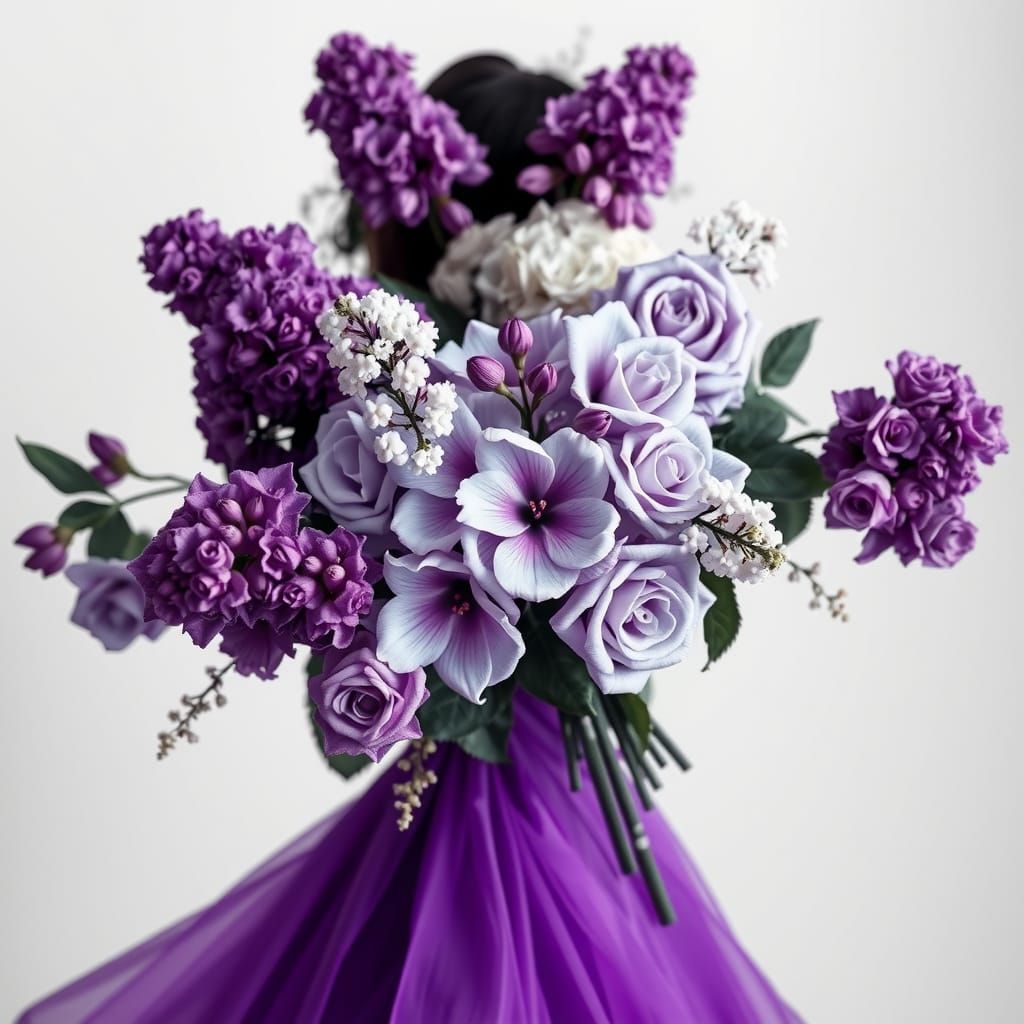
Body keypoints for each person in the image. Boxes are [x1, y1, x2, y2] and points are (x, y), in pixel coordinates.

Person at [17, 56, 803, 1024]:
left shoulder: (423, 406)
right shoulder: (425, 407)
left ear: (390, 227)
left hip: (502, 793)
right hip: (545, 805)